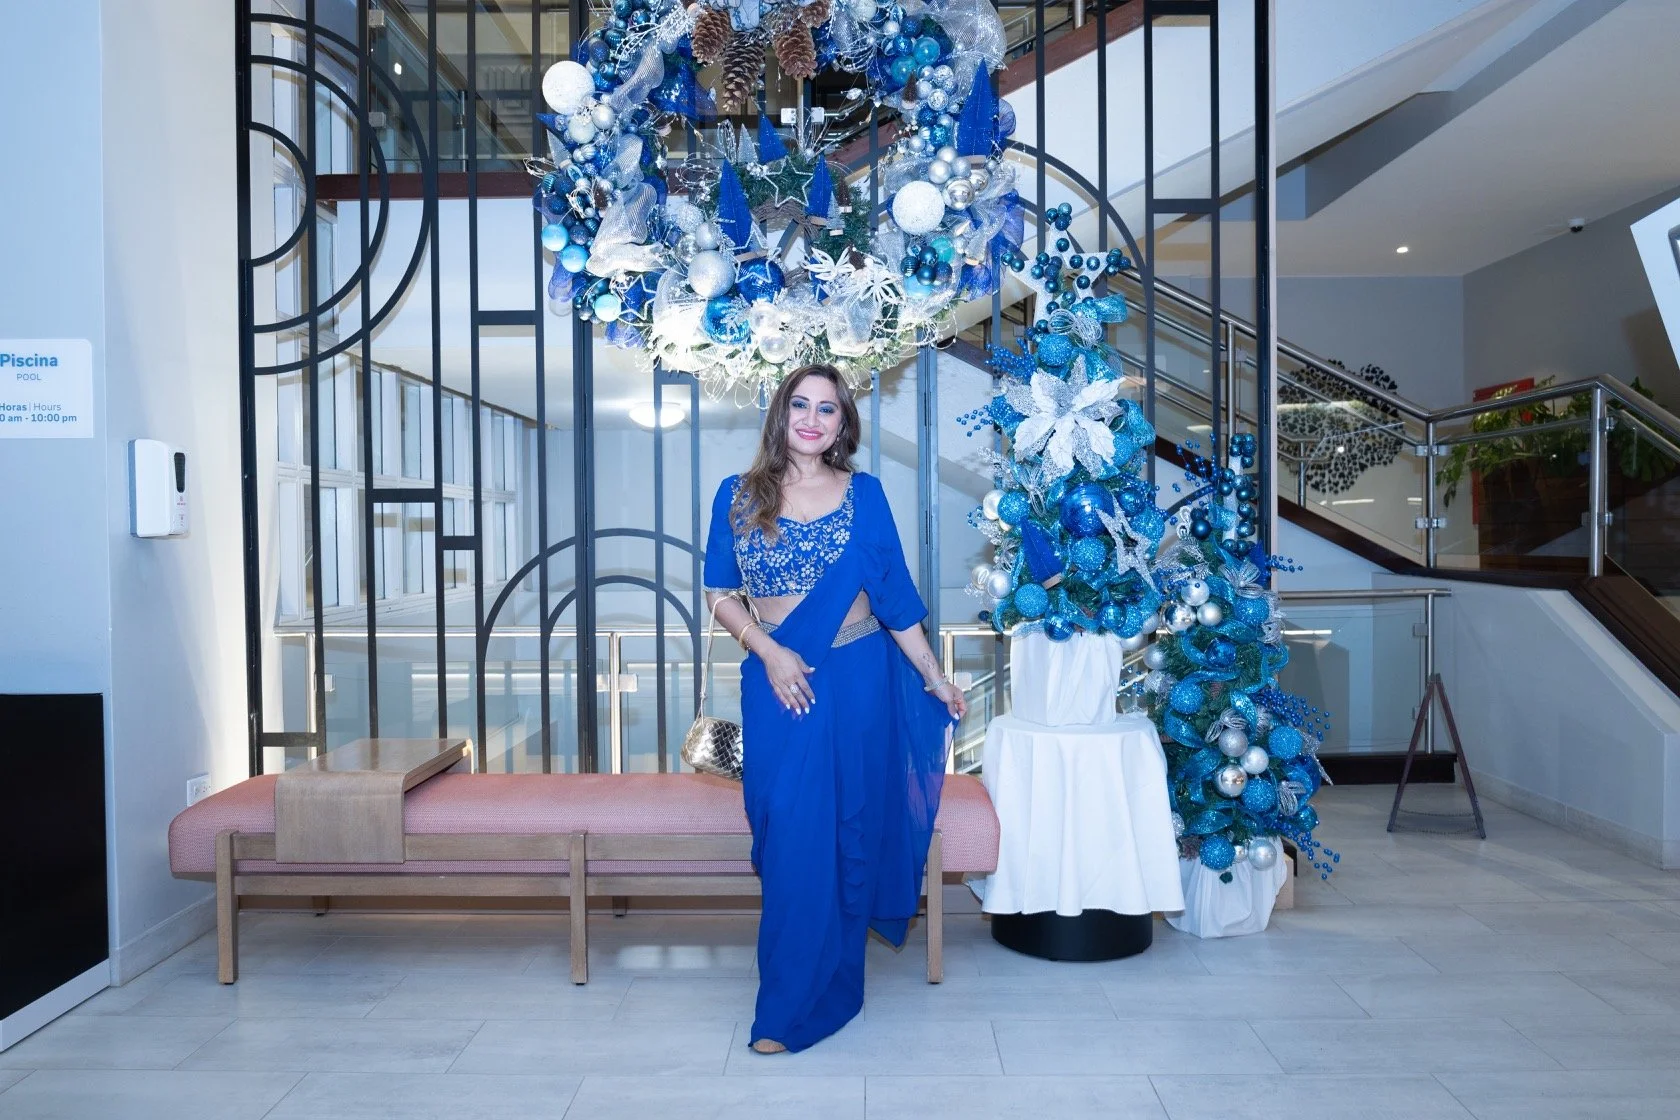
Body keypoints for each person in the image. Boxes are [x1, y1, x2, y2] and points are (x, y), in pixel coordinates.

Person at [702, 364, 967, 1054]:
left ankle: (824, 991)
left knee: (850, 825)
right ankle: (791, 991)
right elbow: (719, 592)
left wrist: (935, 677)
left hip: (858, 678)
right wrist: (769, 651)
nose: (813, 419)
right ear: (780, 414)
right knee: (788, 830)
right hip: (778, 683)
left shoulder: (865, 494)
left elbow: (896, 598)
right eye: (801, 405)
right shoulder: (738, 494)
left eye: (828, 408)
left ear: (844, 423)